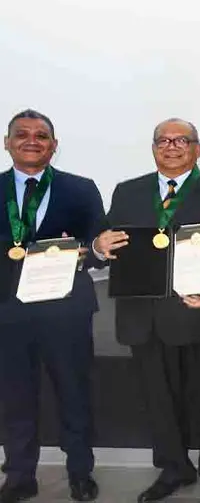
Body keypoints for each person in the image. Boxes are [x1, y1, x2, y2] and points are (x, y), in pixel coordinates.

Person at [94, 119, 200, 502]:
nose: (171, 146)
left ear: (197, 148)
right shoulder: (127, 191)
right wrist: (100, 246)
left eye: (181, 140)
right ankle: (174, 468)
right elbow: (116, 248)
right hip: (144, 317)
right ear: (153, 148)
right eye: (163, 140)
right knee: (158, 400)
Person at [0, 110, 104, 503]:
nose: (32, 140)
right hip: (7, 312)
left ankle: (80, 472)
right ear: (7, 142)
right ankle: (20, 475)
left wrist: (86, 251)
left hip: (65, 310)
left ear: (54, 146)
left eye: (41, 135)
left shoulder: (80, 188)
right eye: (22, 134)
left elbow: (99, 247)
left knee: (75, 393)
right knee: (15, 397)